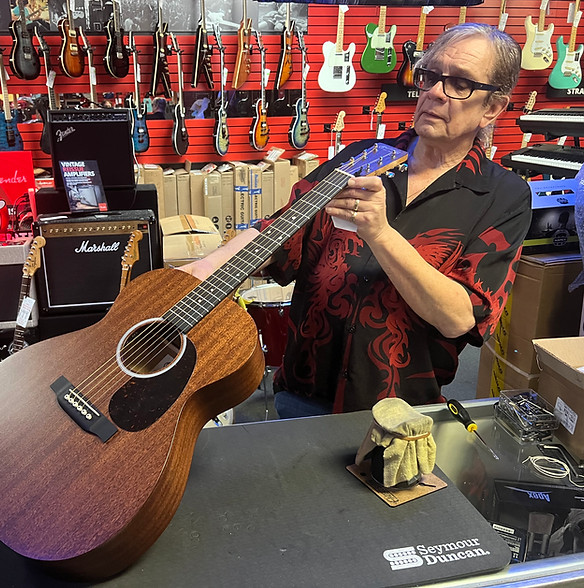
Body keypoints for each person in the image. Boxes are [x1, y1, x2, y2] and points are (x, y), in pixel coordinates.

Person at [181, 23, 532, 418]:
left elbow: (458, 317)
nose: (434, 92)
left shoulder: (503, 196)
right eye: (431, 75)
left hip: (397, 414)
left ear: (493, 107)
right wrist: (208, 266)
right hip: (302, 395)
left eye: (460, 83)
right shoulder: (365, 156)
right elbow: (281, 230)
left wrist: (380, 233)